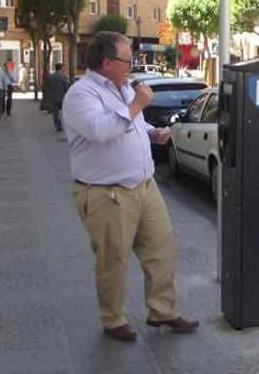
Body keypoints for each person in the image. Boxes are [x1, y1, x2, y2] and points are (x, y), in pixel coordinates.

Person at [61, 31, 199, 342]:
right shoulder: (81, 94)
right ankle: (113, 319)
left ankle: (162, 311)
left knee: (161, 247)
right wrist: (137, 103)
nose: (132, 65)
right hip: (106, 193)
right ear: (107, 63)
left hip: (144, 186)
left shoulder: (122, 89)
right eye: (127, 60)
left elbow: (132, 124)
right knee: (113, 258)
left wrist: (152, 132)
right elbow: (100, 130)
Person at [44, 63, 70, 131]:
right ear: (61, 68)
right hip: (62, 97)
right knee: (66, 113)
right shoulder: (63, 77)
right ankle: (68, 125)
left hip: (53, 97)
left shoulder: (50, 76)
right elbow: (66, 88)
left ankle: (58, 126)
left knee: (55, 113)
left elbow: (47, 86)